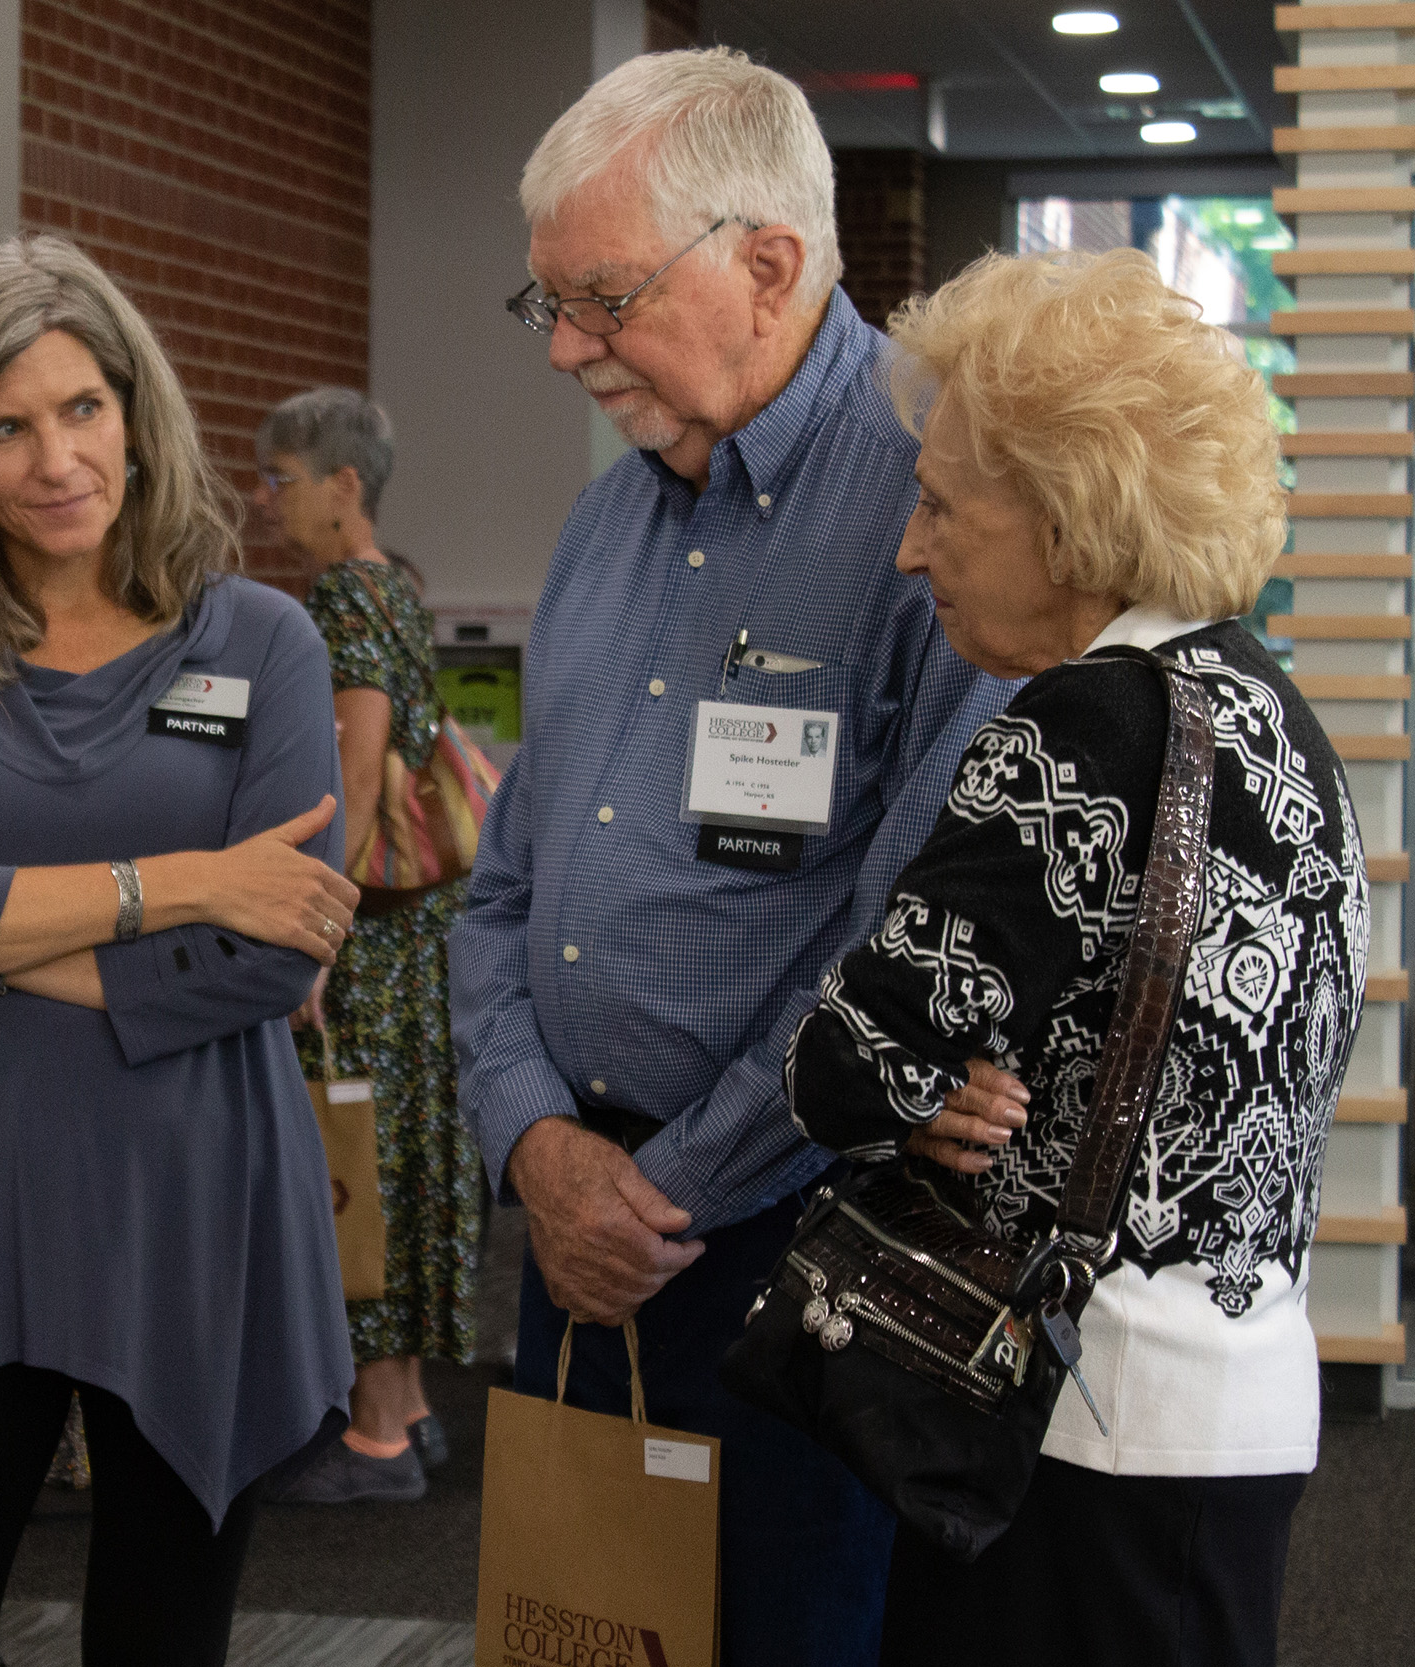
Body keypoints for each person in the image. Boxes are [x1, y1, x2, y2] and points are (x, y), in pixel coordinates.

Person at [449, 48, 1013, 1663]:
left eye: (602, 295)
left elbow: (905, 937)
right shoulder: (601, 526)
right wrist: (537, 1149)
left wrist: (657, 1193)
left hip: (799, 1247)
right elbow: (502, 897)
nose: (564, 347)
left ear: (768, 264)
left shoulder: (941, 506)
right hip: (576, 1228)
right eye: (541, 302)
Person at [0, 233, 362, 1667]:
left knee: (163, 1634)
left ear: (135, 407)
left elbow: (277, 956)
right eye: (6, 427)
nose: (57, 458)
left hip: (191, 1179)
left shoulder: (264, 639)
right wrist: (186, 879)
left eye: (83, 408)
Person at [788, 248, 1362, 1667]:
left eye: (938, 505)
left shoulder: (1076, 730)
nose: (910, 548)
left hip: (1063, 1413)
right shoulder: (1276, 714)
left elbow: (847, 1067)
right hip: (1238, 1407)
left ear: (1065, 512)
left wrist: (922, 1077)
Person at [250, 387, 483, 1505]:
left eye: (282, 477)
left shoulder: (343, 591)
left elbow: (349, 775)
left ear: (344, 486)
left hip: (371, 945)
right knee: (401, 1157)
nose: (268, 500)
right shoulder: (396, 583)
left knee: (358, 1163)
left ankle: (377, 1432)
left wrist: (314, 939)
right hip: (415, 939)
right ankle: (414, 1413)